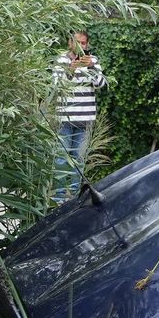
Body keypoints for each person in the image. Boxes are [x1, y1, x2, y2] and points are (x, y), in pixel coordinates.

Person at [52, 30, 106, 201]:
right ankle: (59, 199)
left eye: (84, 43)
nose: (81, 47)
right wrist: (70, 70)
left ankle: (75, 197)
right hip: (64, 119)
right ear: (70, 43)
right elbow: (56, 86)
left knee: (79, 160)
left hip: (85, 119)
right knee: (61, 159)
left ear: (87, 45)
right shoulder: (61, 60)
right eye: (78, 43)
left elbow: (101, 85)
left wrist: (90, 67)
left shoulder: (93, 61)